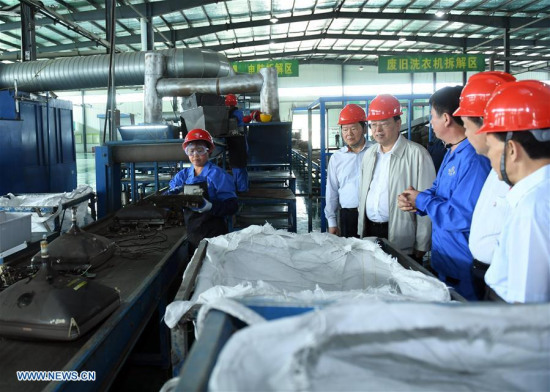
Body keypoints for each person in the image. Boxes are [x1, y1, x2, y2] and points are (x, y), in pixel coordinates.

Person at [397, 86, 491, 301]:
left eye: (432, 116)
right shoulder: (452, 151)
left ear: (446, 118)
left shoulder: (473, 159)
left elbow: (461, 216)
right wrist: (416, 200)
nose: (431, 123)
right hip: (446, 259)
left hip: (463, 263)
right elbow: (437, 190)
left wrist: (421, 199)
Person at [477, 80, 550, 303]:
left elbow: (526, 305)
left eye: (490, 147)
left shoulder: (533, 208)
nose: (487, 155)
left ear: (512, 149)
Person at [453, 71, 516, 300]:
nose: (466, 133)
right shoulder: (494, 167)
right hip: (486, 275)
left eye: (467, 125)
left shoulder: (521, 180)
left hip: (506, 285)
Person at [357, 94, 436, 261]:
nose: (378, 130)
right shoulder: (369, 154)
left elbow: (427, 200)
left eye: (384, 124)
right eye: (374, 125)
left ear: (398, 124)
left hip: (401, 238)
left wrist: (422, 244)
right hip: (369, 232)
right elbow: (362, 193)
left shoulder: (417, 155)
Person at [168, 128, 238, 256]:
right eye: (191, 151)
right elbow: (170, 198)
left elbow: (232, 206)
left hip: (215, 234)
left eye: (200, 150)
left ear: (209, 151)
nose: (195, 155)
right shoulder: (182, 176)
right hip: (192, 232)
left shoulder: (218, 175)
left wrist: (210, 206)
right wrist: (171, 199)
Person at [325, 104, 373, 237]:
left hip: (373, 215)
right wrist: (332, 222)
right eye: (345, 129)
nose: (349, 134)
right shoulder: (337, 158)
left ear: (364, 128)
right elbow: (332, 191)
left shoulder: (376, 152)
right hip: (348, 216)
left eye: (353, 128)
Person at [225, 93, 249, 192]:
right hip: (240, 141)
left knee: (237, 166)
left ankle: (241, 189)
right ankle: (243, 188)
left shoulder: (232, 114)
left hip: (236, 142)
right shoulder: (238, 112)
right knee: (241, 167)